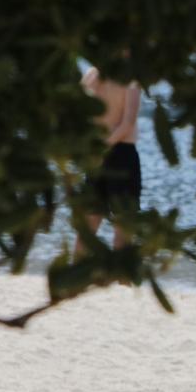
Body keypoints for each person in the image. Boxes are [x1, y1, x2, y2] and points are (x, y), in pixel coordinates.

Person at [77, 65, 141, 252]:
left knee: (88, 226)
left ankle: (76, 274)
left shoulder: (91, 75)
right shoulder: (130, 79)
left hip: (95, 154)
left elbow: (78, 114)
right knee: (124, 225)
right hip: (121, 153)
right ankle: (123, 277)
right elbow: (127, 124)